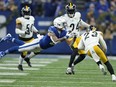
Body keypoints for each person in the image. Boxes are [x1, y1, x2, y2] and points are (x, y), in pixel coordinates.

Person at [59, 2, 105, 74]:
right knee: (75, 50)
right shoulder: (63, 18)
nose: (71, 12)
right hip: (70, 37)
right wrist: (64, 32)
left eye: (72, 10)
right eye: (70, 11)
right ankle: (69, 68)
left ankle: (72, 65)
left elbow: (81, 22)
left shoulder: (77, 15)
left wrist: (89, 26)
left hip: (78, 36)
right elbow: (58, 25)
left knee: (83, 55)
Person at [0, 17, 72, 60]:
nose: (64, 25)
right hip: (38, 43)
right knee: (22, 48)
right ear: (58, 24)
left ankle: (10, 38)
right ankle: (4, 52)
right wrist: (66, 37)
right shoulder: (52, 29)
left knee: (25, 45)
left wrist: (70, 36)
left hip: (42, 47)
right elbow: (56, 40)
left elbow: (68, 39)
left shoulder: (63, 31)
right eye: (63, 24)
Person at [15, 6, 40, 71]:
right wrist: (24, 32)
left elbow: (31, 26)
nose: (27, 13)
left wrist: (36, 31)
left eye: (27, 12)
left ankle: (28, 58)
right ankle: (20, 64)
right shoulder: (20, 20)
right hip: (23, 39)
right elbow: (17, 31)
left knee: (38, 49)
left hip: (31, 38)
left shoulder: (32, 18)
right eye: (26, 12)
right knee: (24, 53)